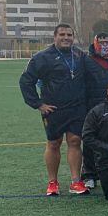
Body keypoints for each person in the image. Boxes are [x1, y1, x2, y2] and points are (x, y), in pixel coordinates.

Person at [19, 23, 89, 196]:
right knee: (54, 143)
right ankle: (53, 182)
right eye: (62, 35)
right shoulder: (42, 57)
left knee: (75, 142)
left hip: (77, 108)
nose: (66, 38)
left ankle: (75, 182)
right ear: (54, 37)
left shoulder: (80, 55)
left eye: (69, 35)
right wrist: (38, 104)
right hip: (53, 109)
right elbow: (25, 81)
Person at [82, 31, 108, 188]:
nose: (105, 45)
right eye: (101, 42)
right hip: (92, 104)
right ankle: (89, 175)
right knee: (90, 141)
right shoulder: (87, 60)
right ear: (94, 43)